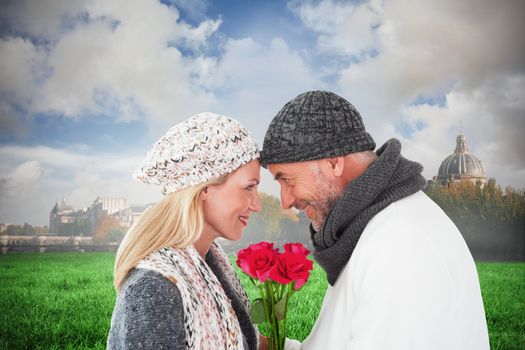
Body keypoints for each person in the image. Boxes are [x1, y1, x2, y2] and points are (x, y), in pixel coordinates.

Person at [260, 91, 490, 350]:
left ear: (334, 162)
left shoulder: (399, 243)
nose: (285, 201)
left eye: (287, 180)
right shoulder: (370, 228)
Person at [107, 112, 265, 350]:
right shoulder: (153, 289)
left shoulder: (212, 266)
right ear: (205, 189)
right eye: (249, 187)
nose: (256, 204)